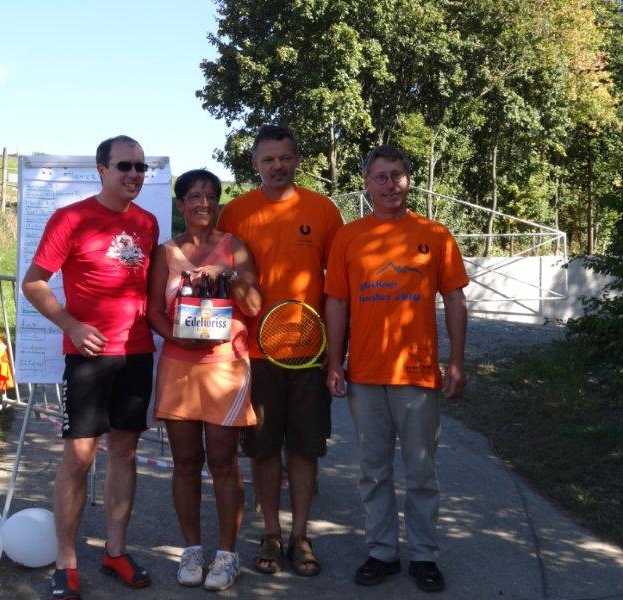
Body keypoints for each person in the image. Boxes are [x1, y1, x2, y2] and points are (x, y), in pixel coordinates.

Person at [324, 144, 469, 593]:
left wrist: (457, 360)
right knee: (373, 470)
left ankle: (424, 555)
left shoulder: (435, 234)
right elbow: (337, 302)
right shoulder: (348, 237)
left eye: (398, 176)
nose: (390, 185)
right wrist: (335, 361)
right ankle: (382, 552)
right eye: (381, 177)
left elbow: (455, 299)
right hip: (365, 375)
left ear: (409, 180)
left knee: (421, 472)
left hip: (418, 373)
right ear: (367, 184)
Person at [21, 135, 159, 600]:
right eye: (125, 166)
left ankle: (115, 551)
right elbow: (34, 283)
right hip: (88, 358)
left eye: (140, 167)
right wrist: (72, 326)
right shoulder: (71, 218)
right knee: (78, 458)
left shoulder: (147, 223)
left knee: (124, 453)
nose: (134, 175)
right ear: (102, 169)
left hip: (136, 353)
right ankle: (66, 563)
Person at [216, 124, 344, 577]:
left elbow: (339, 288)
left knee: (306, 450)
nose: (277, 166)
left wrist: (336, 356)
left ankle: (300, 535)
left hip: (310, 354)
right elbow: (220, 279)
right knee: (264, 450)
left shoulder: (323, 209)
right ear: (254, 163)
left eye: (285, 158)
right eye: (268, 159)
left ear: (297, 160)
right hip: (255, 354)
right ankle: (270, 533)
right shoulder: (235, 213)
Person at [146, 169, 262, 592]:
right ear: (180, 204)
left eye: (211, 196)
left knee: (224, 461)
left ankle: (227, 555)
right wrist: (176, 337)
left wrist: (229, 275)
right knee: (185, 462)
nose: (204, 203)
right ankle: (192, 550)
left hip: (225, 366)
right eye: (195, 196)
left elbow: (254, 305)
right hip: (179, 364)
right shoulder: (166, 252)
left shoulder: (235, 246)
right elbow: (153, 311)